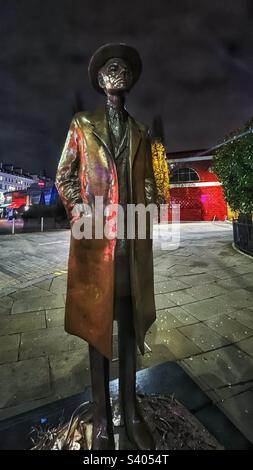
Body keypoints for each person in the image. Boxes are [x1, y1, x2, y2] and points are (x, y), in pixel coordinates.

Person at [56, 43, 156, 449]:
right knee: (98, 331)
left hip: (131, 249)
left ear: (129, 81)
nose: (116, 70)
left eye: (123, 66)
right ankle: (101, 416)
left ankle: (130, 409)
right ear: (99, 81)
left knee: (129, 328)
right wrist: (81, 213)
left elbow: (148, 181)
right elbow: (64, 176)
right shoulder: (82, 125)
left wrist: (147, 207)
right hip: (96, 249)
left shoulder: (141, 132)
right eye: (108, 67)